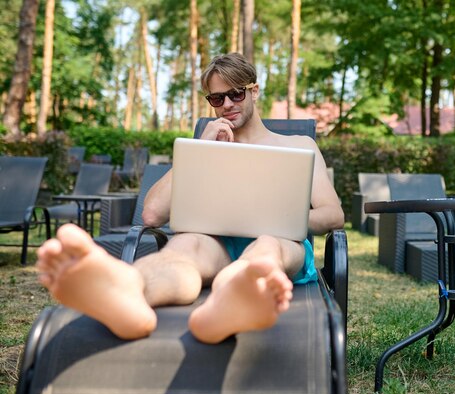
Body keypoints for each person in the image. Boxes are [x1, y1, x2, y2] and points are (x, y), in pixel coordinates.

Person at [37, 52, 344, 344]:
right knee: (183, 248)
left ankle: (237, 293)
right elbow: (152, 216)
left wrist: (277, 220)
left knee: (266, 247)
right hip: (214, 245)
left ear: (255, 91)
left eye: (236, 94)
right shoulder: (205, 147)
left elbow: (333, 215)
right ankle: (127, 291)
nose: (226, 105)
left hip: (280, 244)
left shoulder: (298, 145)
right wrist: (200, 148)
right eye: (216, 98)